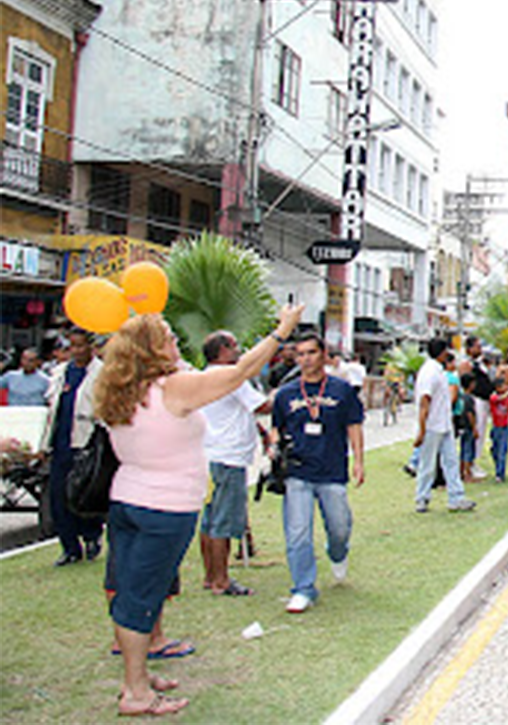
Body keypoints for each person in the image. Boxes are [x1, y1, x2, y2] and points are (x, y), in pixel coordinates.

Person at [95, 305, 303, 716]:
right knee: (142, 596)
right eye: (169, 338)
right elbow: (240, 371)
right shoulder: (174, 389)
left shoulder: (121, 387)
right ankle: (136, 691)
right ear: (153, 348)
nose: (176, 343)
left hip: (128, 500)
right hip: (164, 508)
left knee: (135, 590)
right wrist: (281, 332)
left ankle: (137, 675)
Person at [271, 333, 366, 613]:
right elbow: (277, 426)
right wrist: (274, 447)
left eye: (311, 352)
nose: (305, 359)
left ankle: (338, 554)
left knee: (339, 527)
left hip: (332, 470)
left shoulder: (341, 390)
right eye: (300, 354)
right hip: (298, 471)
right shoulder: (287, 393)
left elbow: (354, 424)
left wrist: (359, 460)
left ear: (324, 354)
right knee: (298, 532)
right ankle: (303, 588)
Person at [197, 331, 269, 597]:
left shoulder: (202, 376)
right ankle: (221, 580)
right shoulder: (232, 378)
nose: (239, 350)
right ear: (224, 350)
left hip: (209, 455)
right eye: (235, 346)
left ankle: (209, 576)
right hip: (228, 458)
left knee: (209, 519)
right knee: (223, 522)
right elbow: (261, 406)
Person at [39, 328, 104, 566]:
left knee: (84, 495)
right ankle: (69, 547)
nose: (76, 351)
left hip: (86, 443)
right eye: (72, 346)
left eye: (81, 346)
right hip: (61, 443)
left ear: (91, 347)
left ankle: (91, 536)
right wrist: (43, 445)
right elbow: (51, 411)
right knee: (58, 497)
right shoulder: (60, 373)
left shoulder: (101, 374)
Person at [413, 338, 476, 513]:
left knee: (451, 461)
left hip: (444, 423)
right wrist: (422, 429)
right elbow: (425, 401)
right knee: (427, 463)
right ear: (442, 352)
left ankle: (456, 497)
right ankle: (422, 498)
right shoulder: (429, 372)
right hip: (432, 425)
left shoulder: (439, 371)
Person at [462, 336, 495, 477]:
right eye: (477, 346)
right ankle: (471, 462)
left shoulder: (482, 363)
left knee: (482, 431)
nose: (479, 349)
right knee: (476, 430)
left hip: (486, 399)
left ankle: (475, 459)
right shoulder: (467, 364)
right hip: (477, 400)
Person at [489, 377, 508, 483]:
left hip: (504, 428)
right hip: (496, 428)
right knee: (495, 450)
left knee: (502, 451)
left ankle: (500, 474)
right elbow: (497, 399)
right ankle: (498, 468)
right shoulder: (494, 397)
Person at [456, 373, 479, 482]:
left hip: (462, 426)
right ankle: (468, 473)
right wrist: (474, 428)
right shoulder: (469, 398)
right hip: (468, 427)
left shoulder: (460, 396)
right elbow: (470, 414)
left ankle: (461, 472)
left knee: (463, 449)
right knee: (469, 450)